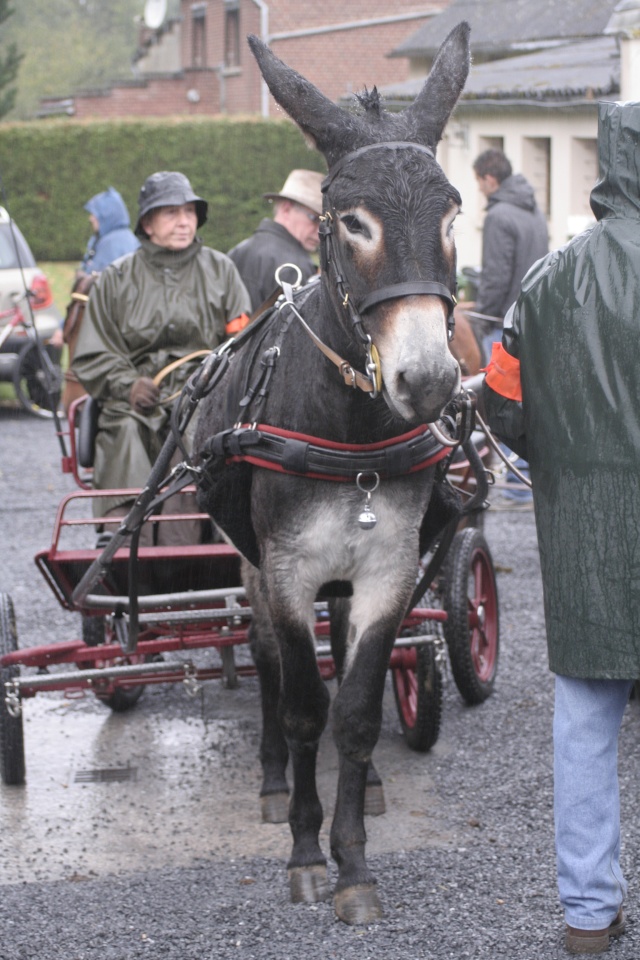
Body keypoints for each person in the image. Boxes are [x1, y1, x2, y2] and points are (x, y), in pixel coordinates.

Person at [482, 100, 640, 955]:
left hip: (586, 539)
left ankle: (589, 913)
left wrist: (558, 456)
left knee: (585, 726)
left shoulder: (551, 280)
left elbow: (499, 401)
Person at [72, 170, 251, 547]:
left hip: (204, 396)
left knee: (199, 438)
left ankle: (194, 549)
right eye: (171, 213)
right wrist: (128, 385)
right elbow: (93, 353)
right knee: (123, 433)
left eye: (189, 211)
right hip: (133, 401)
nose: (184, 221)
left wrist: (212, 385)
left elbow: (242, 345)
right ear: (147, 224)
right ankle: (121, 547)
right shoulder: (116, 279)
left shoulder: (221, 271)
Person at [471, 149, 548, 502]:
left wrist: (479, 317)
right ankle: (529, 479)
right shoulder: (534, 211)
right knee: (532, 399)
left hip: (504, 322)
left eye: (479, 183)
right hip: (535, 317)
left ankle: (515, 485)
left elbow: (497, 277)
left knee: (502, 402)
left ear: (489, 178)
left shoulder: (499, 215)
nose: (480, 190)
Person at [56, 187, 140, 413]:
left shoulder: (113, 244)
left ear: (107, 215)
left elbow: (88, 297)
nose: (90, 218)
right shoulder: (109, 240)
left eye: (95, 213)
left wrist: (63, 328)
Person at [227, 168, 324, 312]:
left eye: (324, 222)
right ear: (286, 209)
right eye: (314, 219)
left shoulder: (236, 252)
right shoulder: (296, 267)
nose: (319, 231)